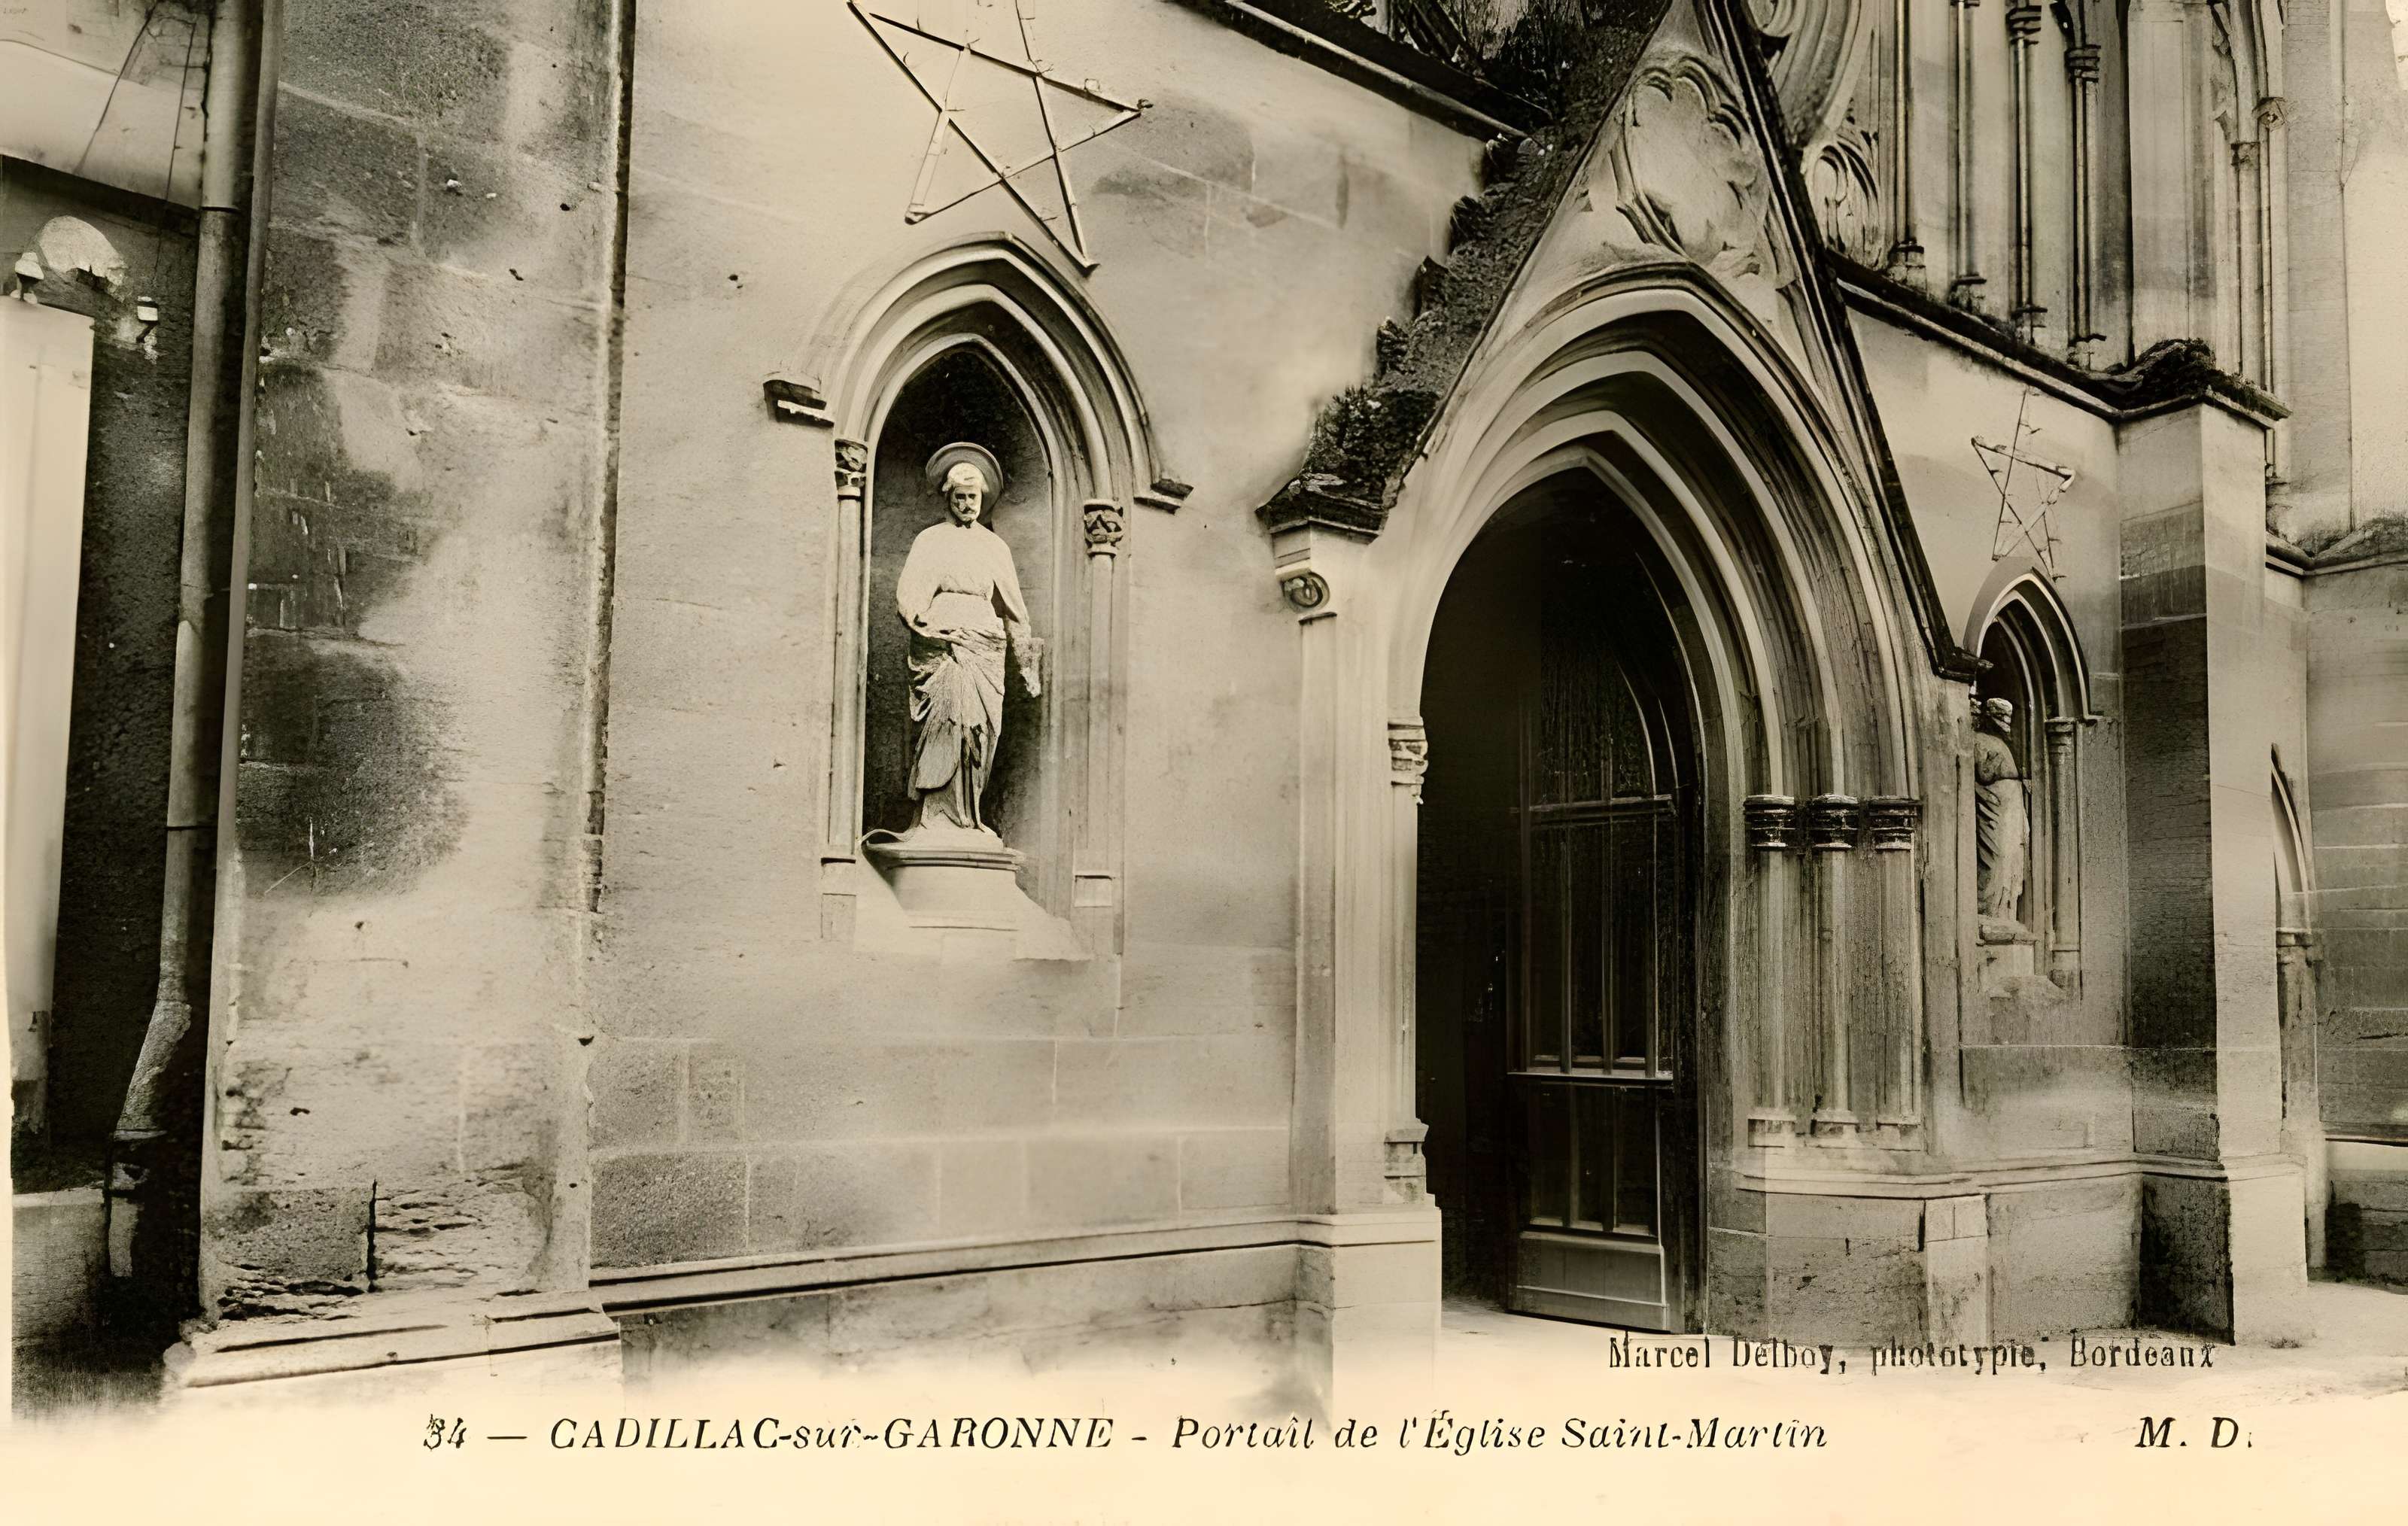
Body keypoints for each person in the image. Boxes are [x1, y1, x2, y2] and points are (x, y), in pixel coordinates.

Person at [893, 448, 1041, 838]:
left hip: (985, 644)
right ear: (948, 496)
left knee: (980, 732)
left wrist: (1028, 663)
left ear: (983, 498)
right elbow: (910, 594)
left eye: (973, 497)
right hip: (944, 642)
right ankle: (935, 817)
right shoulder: (931, 540)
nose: (966, 504)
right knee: (945, 724)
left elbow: (1015, 609)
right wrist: (924, 626)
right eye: (959, 496)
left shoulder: (996, 548)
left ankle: (969, 815)